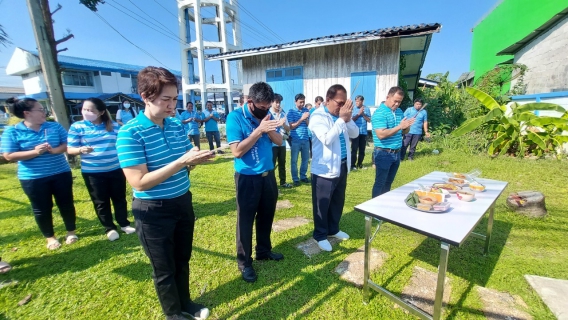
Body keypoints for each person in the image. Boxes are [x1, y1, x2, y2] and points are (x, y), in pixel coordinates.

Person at [116, 67, 213, 320]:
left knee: (182, 258)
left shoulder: (175, 125)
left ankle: (185, 302)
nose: (173, 106)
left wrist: (198, 158)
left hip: (182, 201)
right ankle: (173, 314)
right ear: (145, 96)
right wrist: (182, 162)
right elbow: (139, 182)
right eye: (166, 100)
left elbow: (186, 156)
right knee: (163, 268)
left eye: (175, 99)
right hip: (153, 210)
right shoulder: (130, 132)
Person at [1, 97, 78, 250]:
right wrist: (34, 152)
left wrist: (56, 150)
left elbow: (67, 143)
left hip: (60, 172)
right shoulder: (13, 131)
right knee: (41, 207)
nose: (44, 112)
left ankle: (71, 231)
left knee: (66, 203)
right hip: (33, 177)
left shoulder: (54, 127)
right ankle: (50, 237)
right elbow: (8, 155)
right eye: (40, 110)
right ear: (27, 113)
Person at [226, 82, 284, 283]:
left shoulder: (267, 116)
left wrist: (268, 129)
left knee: (267, 215)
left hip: (268, 175)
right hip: (247, 178)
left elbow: (279, 141)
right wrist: (259, 130)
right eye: (262, 107)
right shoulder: (235, 117)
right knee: (245, 220)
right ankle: (244, 262)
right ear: (250, 102)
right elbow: (237, 151)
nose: (265, 110)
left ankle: (263, 250)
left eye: (268, 106)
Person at [67, 98, 135, 241]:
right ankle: (109, 228)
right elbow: (70, 149)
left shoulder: (114, 126)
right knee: (101, 201)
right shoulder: (77, 127)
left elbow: (123, 145)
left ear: (101, 112)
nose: (86, 112)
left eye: (90, 110)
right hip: (93, 172)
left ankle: (124, 223)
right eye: (84, 109)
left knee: (119, 198)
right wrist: (80, 149)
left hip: (115, 168)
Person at [309, 85, 359, 251]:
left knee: (338, 200)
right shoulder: (317, 116)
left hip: (342, 165)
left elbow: (355, 134)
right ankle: (320, 235)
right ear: (328, 100)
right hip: (324, 170)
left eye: (345, 103)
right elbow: (327, 139)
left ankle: (333, 229)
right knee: (322, 204)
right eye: (339, 103)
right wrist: (341, 119)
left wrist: (348, 118)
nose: (342, 107)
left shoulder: (342, 116)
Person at [371, 87, 415, 198]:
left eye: (399, 102)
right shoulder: (379, 113)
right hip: (383, 153)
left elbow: (404, 131)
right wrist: (400, 126)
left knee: (388, 183)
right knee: (380, 183)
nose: (397, 104)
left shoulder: (399, 112)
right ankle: (373, 211)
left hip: (396, 153)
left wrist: (406, 126)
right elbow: (381, 134)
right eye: (395, 101)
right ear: (387, 97)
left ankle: (384, 206)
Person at [287, 93, 310, 186]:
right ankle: (295, 178)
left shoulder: (306, 111)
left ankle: (303, 176)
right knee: (294, 160)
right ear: (295, 102)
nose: (302, 104)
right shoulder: (291, 111)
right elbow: (291, 126)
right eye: (300, 102)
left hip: (305, 139)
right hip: (295, 140)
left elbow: (310, 125)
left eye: (303, 102)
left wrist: (306, 119)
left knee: (305, 159)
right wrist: (301, 119)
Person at [269, 93, 291, 188]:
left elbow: (288, 128)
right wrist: (278, 123)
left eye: (279, 102)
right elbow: (268, 128)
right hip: (272, 144)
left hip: (282, 143)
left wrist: (283, 124)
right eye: (276, 102)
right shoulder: (268, 114)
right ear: (272, 102)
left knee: (282, 163)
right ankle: (271, 183)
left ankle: (283, 182)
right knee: (272, 164)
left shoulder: (283, 114)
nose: (278, 104)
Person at [350, 95, 371, 170]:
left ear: (362, 101)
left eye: (358, 101)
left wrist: (363, 114)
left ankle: (360, 164)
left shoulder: (367, 109)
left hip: (363, 132)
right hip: (355, 132)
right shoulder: (353, 109)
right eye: (356, 101)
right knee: (354, 149)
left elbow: (369, 120)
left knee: (362, 149)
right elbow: (351, 120)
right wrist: (359, 113)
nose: (357, 102)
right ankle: (352, 165)